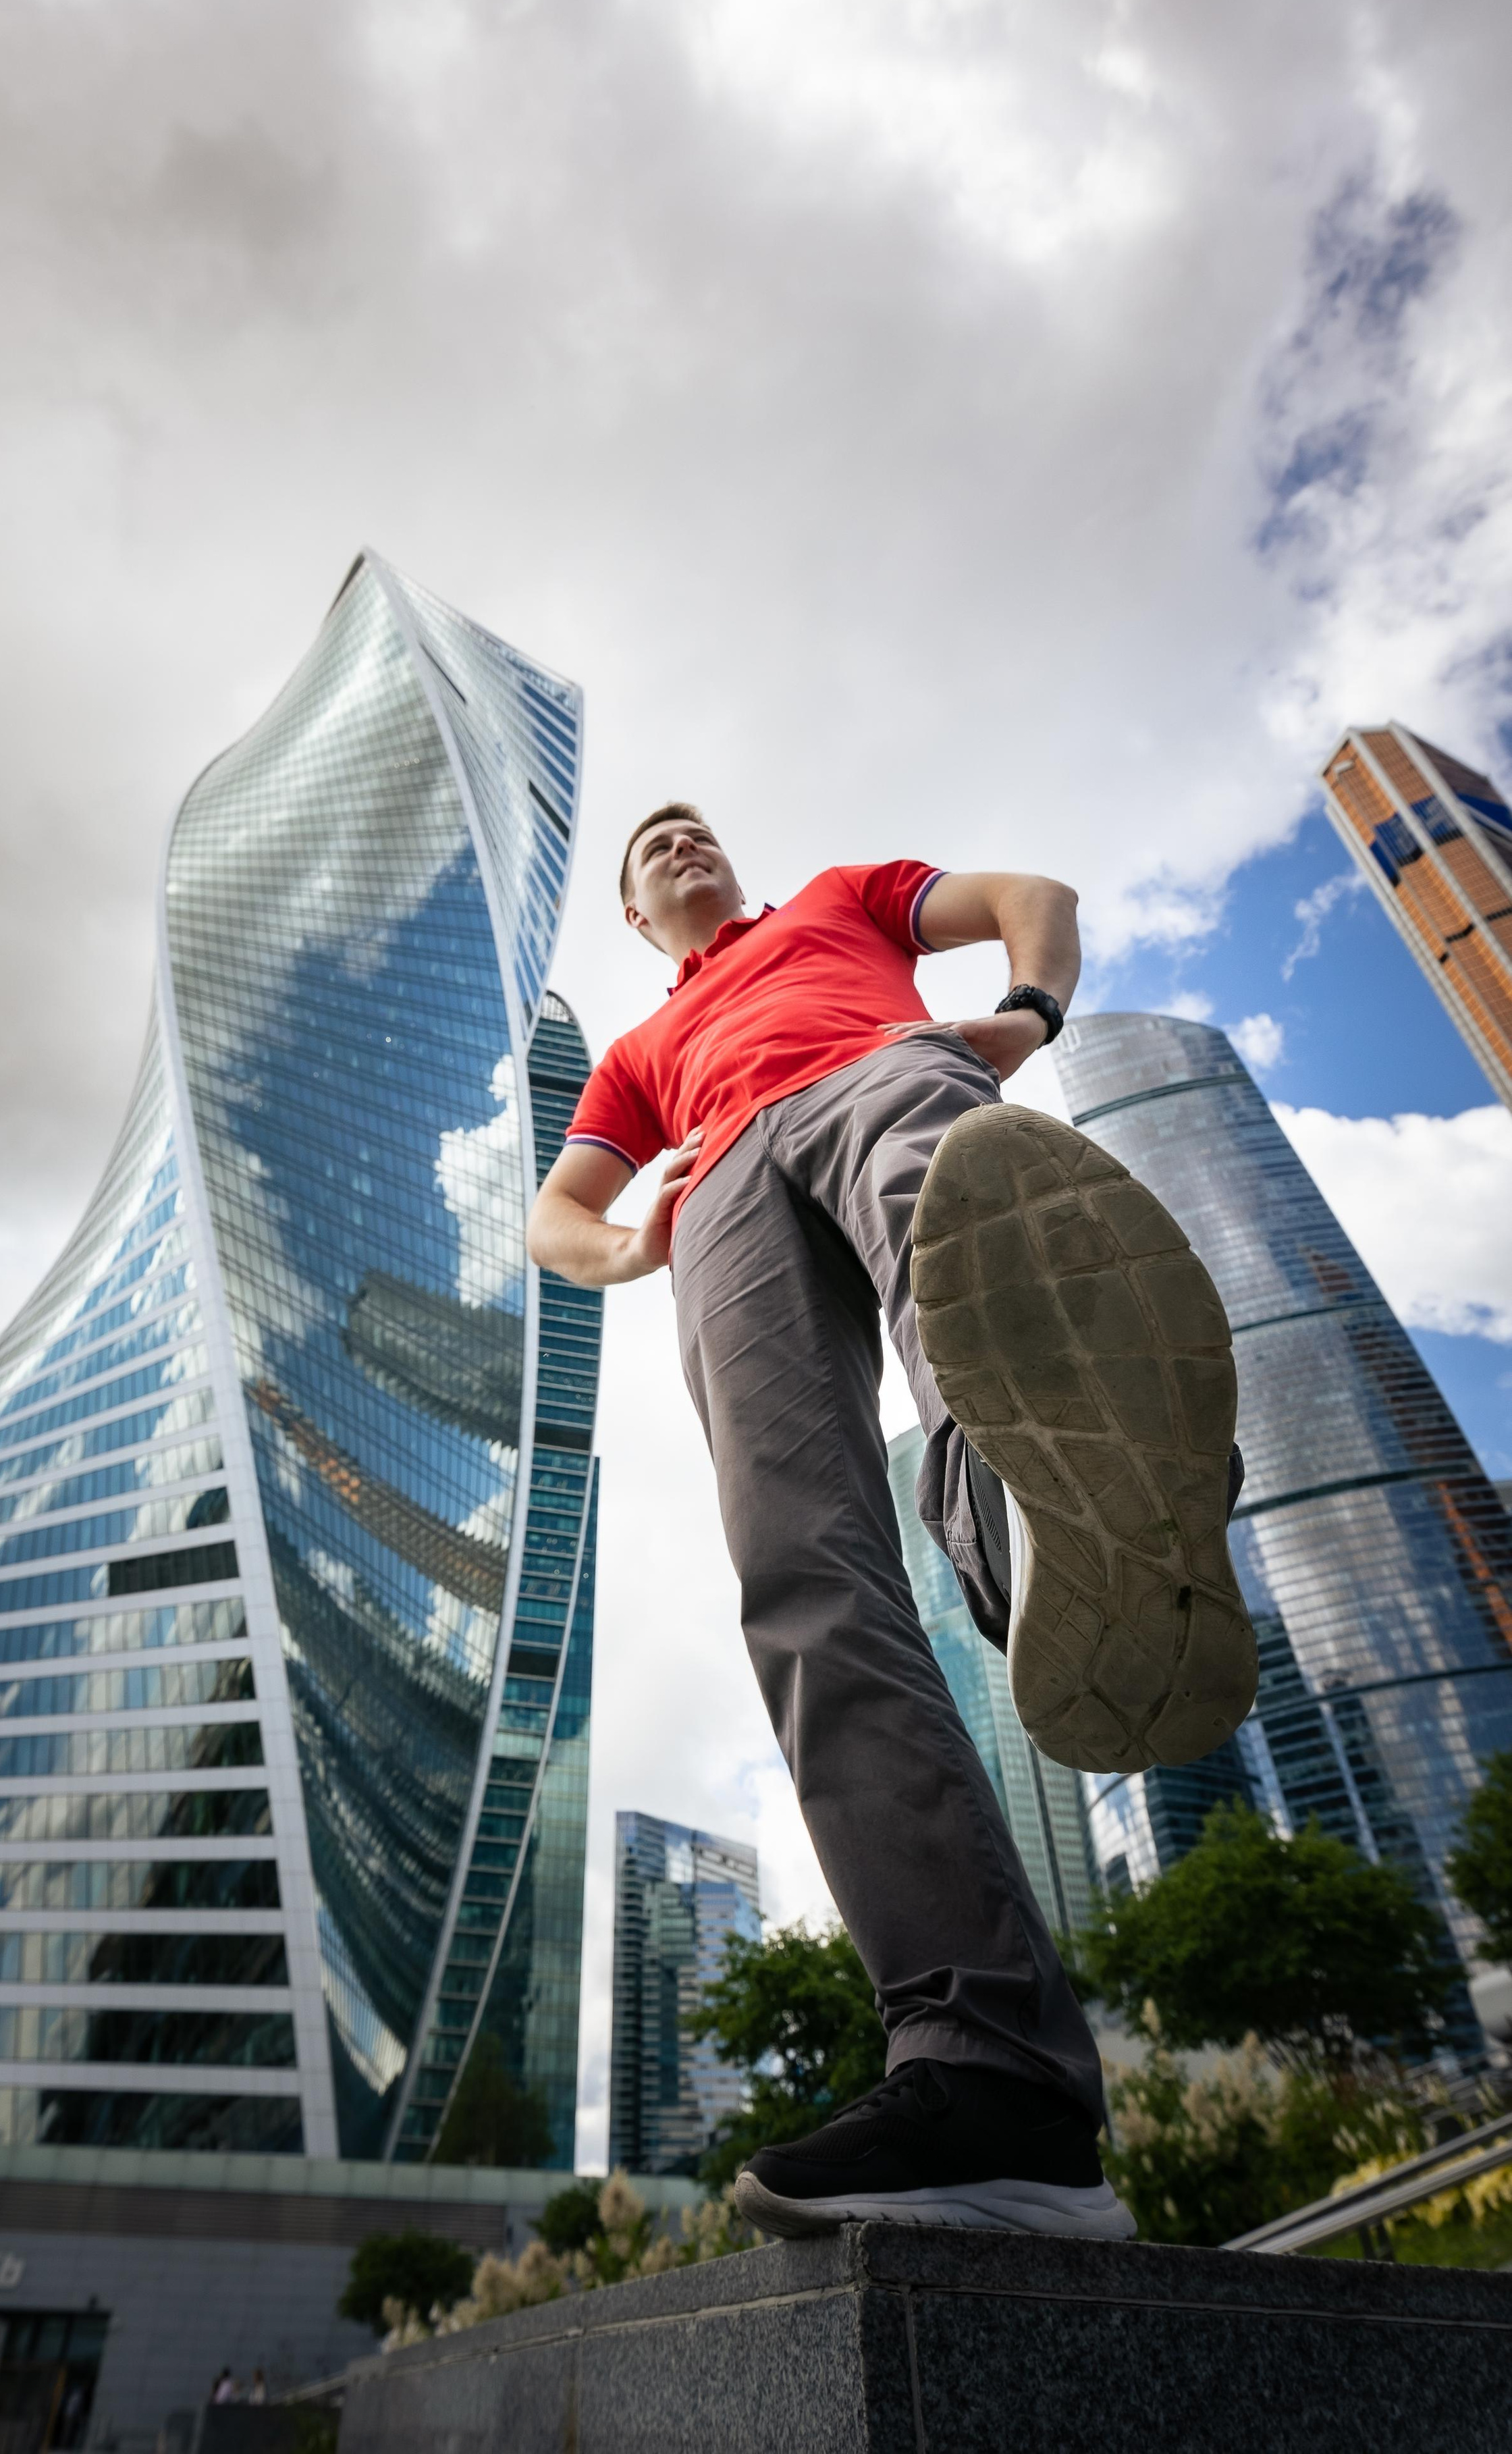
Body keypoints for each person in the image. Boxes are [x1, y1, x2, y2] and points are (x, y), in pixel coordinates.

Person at [529, 809, 1256, 2239]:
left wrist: (1023, 1017)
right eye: (651, 845)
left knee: (961, 1251)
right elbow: (556, 1212)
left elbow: (1025, 891)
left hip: (879, 1072)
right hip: (719, 1185)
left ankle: (1046, 1506)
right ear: (631, 912)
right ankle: (999, 2094)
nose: (681, 841)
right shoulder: (634, 1057)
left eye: (694, 827)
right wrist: (636, 1238)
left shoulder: (834, 901)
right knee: (796, 1576)